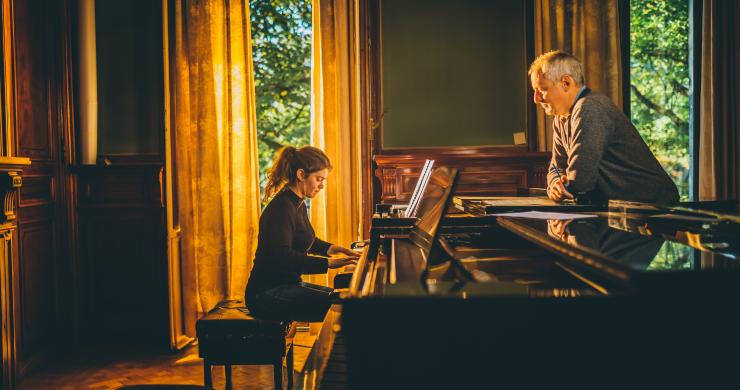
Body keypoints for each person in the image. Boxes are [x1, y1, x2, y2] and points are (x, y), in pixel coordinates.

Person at [529, 50, 679, 205]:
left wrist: (564, 187)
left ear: (566, 83)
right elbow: (556, 167)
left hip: (653, 209)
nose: (536, 99)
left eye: (542, 89)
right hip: (622, 209)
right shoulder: (560, 118)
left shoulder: (590, 108)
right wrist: (555, 184)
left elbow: (581, 181)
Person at [244, 145, 359, 322]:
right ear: (300, 175)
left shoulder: (296, 202)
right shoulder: (283, 207)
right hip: (266, 294)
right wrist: (328, 263)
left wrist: (339, 249)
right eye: (319, 179)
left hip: (286, 285)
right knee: (343, 307)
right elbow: (281, 256)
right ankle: (333, 350)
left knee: (343, 299)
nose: (321, 186)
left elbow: (307, 240)